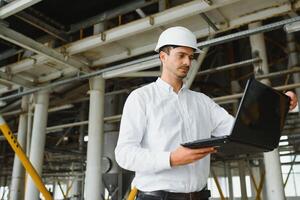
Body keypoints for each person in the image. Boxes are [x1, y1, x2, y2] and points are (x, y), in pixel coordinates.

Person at [115, 26, 298, 200]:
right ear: (163, 57)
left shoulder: (202, 101)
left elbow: (240, 131)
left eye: (190, 56)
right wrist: (171, 158)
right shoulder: (141, 98)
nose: (188, 62)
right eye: (181, 55)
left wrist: (277, 107)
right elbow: (124, 154)